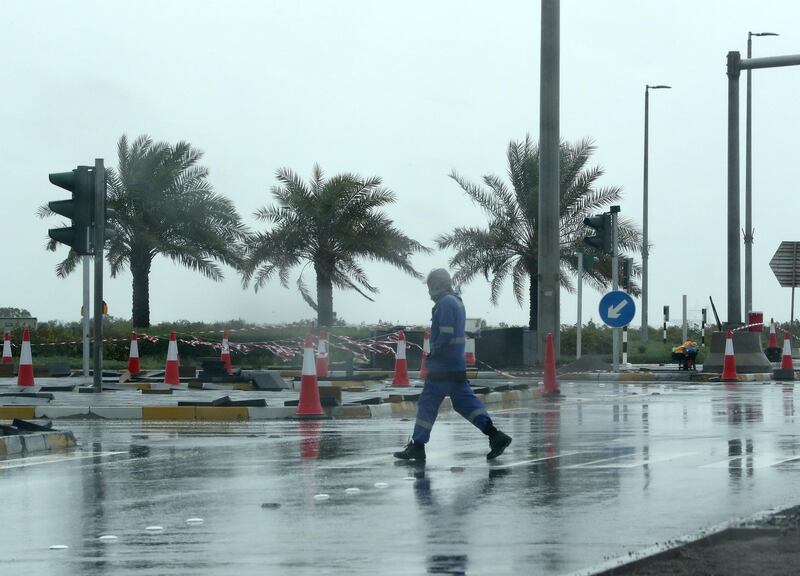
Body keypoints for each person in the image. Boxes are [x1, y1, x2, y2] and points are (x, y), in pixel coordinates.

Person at [393, 268, 512, 462]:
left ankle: (418, 446)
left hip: (443, 366)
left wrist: (433, 354)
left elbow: (445, 334)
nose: (428, 290)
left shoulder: (445, 303)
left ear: (436, 285)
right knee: (464, 403)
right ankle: (495, 435)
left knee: (427, 403)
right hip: (454, 364)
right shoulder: (455, 301)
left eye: (430, 286)